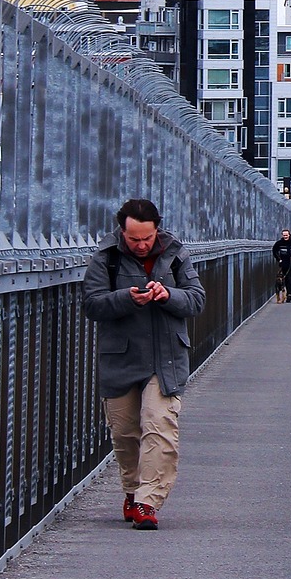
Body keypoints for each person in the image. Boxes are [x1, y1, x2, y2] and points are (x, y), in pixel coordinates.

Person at [81, 198, 205, 531]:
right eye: (134, 239)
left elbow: (196, 299)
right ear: (122, 232)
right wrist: (126, 298)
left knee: (159, 426)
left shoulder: (175, 254)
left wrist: (167, 295)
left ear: (156, 230)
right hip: (121, 358)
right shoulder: (105, 258)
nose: (140, 245)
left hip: (165, 358)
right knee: (125, 434)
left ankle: (148, 503)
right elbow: (91, 305)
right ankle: (133, 490)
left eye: (146, 238)